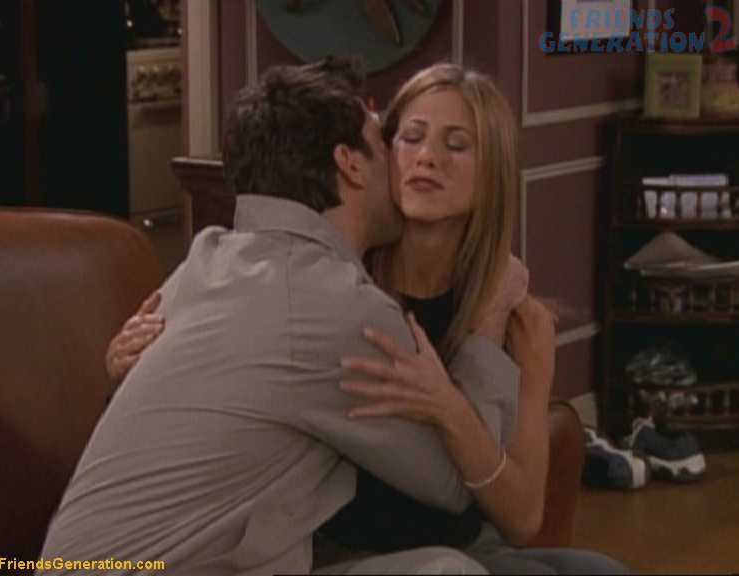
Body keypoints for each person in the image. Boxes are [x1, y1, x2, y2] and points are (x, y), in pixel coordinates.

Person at [108, 62, 629, 575]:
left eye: (456, 145)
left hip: (462, 539)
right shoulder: (335, 291)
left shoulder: (516, 315)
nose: (427, 158)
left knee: (599, 570)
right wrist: (132, 360)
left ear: (493, 170)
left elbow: (523, 520)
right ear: (376, 155)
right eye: (410, 138)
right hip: (332, 549)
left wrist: (496, 337)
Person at [37, 57, 523, 576]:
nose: (413, 163)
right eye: (390, 142)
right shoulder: (337, 305)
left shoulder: (205, 260)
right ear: (351, 164)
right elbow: (455, 487)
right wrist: (490, 319)